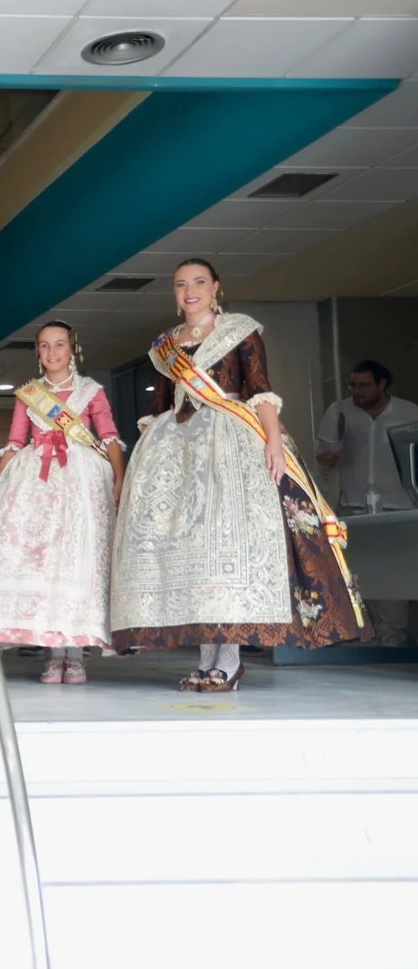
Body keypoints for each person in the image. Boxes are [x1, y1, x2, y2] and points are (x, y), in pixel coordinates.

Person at [112, 259, 365, 691]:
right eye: (180, 285)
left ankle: (228, 657)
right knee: (189, 549)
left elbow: (259, 388)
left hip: (230, 438)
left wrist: (271, 438)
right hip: (176, 447)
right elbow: (159, 406)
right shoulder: (166, 346)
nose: (189, 291)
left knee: (227, 539)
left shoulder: (239, 331)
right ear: (174, 294)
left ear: (215, 288)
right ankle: (205, 654)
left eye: (198, 283)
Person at [0, 322, 125, 684]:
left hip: (81, 482)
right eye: (44, 346)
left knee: (75, 564)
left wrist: (118, 479)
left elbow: (110, 436)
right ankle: (55, 654)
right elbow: (13, 442)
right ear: (37, 353)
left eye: (59, 345)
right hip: (35, 482)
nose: (52, 353)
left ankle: (76, 653)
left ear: (73, 348)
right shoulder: (28, 394)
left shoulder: (91, 391)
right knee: (44, 564)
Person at [316, 360, 418, 513]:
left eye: (364, 385)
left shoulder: (409, 413)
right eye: (353, 385)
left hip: (400, 504)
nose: (357, 391)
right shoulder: (338, 411)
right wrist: (333, 454)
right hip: (353, 504)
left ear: (381, 384)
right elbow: (321, 458)